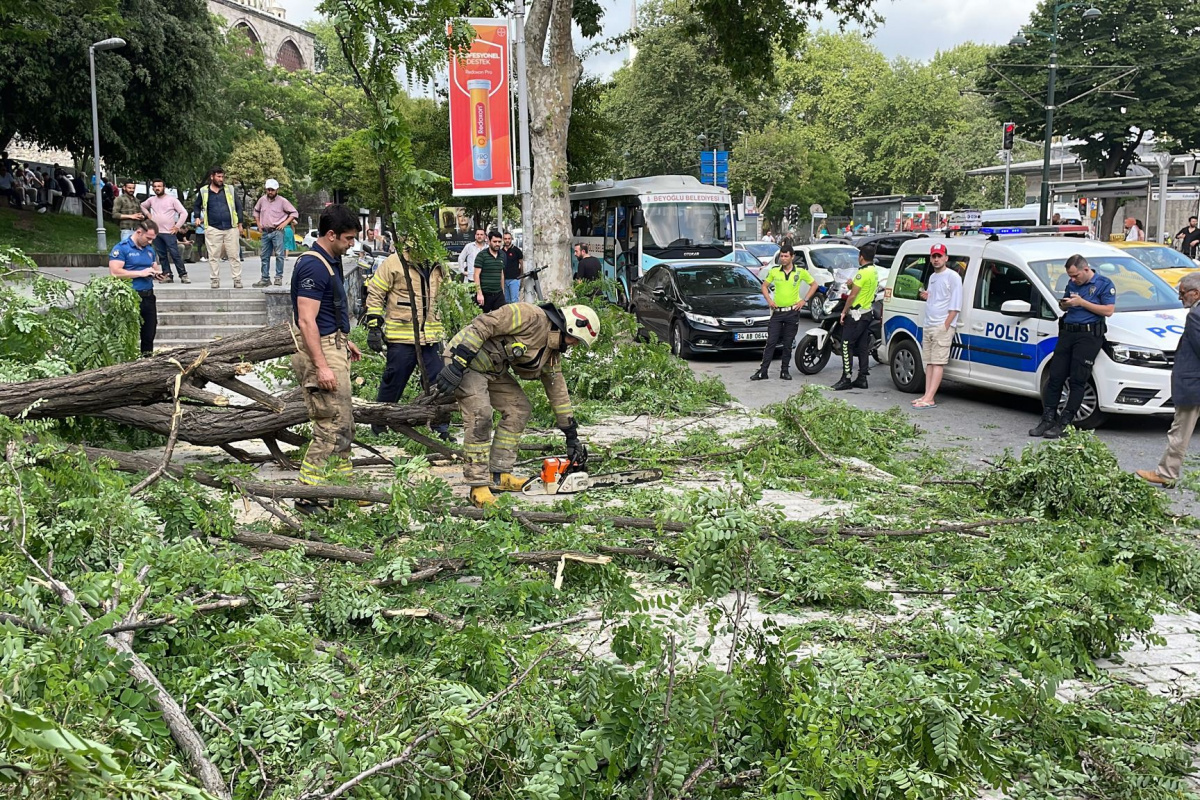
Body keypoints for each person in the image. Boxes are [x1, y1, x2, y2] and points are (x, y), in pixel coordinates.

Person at [435, 301, 601, 508]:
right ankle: (477, 486)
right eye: (574, 340)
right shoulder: (528, 316)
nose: (572, 346)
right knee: (481, 415)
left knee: (518, 409)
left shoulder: (551, 353)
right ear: (566, 327)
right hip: (465, 360)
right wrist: (458, 363)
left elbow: (557, 390)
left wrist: (571, 434)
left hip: (492, 369)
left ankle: (500, 474)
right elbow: (483, 323)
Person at [289, 205, 363, 513]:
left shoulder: (329, 260)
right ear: (330, 235)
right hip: (320, 350)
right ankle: (308, 495)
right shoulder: (313, 266)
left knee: (344, 422)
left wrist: (345, 341)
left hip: (333, 344)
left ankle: (340, 488)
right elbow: (307, 321)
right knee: (331, 424)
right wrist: (321, 364)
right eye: (348, 238)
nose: (351, 244)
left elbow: (327, 313)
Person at [364, 245, 450, 439]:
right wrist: (374, 327)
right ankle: (380, 423)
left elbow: (446, 296)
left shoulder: (438, 264)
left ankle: (440, 428)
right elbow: (376, 292)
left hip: (430, 337)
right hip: (402, 336)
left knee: (439, 382)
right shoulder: (394, 263)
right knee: (394, 379)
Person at [1029, 254, 1115, 439]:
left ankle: (1065, 423)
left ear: (1086, 269)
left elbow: (1108, 310)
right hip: (1068, 332)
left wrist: (1082, 302)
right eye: (1070, 276)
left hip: (1088, 335)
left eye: (1075, 275)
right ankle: (1048, 419)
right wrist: (1065, 304)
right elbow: (1065, 307)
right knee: (1056, 376)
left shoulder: (1103, 283)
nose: (1072, 279)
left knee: (1078, 379)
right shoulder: (1072, 284)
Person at [1137, 274, 1200, 487]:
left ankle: (1166, 473)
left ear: (1196, 293)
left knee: (1180, 430)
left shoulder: (1195, 315)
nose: (1180, 298)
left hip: (1194, 382)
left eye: (1183, 293)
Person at [750, 243, 819, 382]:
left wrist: (804, 300)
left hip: (792, 312)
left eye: (786, 256)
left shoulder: (799, 272)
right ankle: (763, 371)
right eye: (781, 256)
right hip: (777, 312)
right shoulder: (775, 271)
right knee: (771, 342)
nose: (783, 259)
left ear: (792, 257)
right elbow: (764, 286)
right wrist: (769, 300)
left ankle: (784, 370)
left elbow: (814, 285)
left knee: (788, 343)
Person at [912, 243, 962, 408]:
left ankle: (930, 397)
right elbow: (938, 298)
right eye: (934, 256)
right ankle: (926, 395)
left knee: (938, 362)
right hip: (929, 324)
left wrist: (945, 326)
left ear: (946, 258)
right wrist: (928, 296)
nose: (936, 259)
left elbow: (955, 306)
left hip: (941, 325)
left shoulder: (953, 276)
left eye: (939, 256)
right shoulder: (933, 277)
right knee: (929, 362)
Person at [108, 220, 163, 356]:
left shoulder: (149, 249)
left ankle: (147, 360)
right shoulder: (121, 248)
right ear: (139, 232)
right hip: (130, 296)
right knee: (127, 334)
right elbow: (115, 273)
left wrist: (157, 274)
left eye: (152, 239)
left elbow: (154, 267)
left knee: (149, 333)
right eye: (148, 238)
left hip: (148, 296)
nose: (150, 242)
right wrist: (140, 273)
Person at [832, 243, 879, 390]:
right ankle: (862, 377)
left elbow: (852, 296)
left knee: (846, 345)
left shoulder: (862, 273)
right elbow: (862, 288)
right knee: (862, 346)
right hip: (867, 313)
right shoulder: (873, 271)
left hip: (856, 314)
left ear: (861, 257)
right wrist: (852, 284)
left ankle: (846, 377)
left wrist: (844, 312)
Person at [192, 166, 244, 289]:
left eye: (222, 177)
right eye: (218, 176)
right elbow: (197, 205)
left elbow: (238, 206)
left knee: (234, 255)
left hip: (231, 227)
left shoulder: (229, 189)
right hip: (213, 227)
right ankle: (214, 279)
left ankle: (237, 279)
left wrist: (240, 224)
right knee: (213, 255)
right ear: (212, 177)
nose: (221, 179)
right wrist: (197, 216)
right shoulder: (204, 191)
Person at [140, 179, 190, 283]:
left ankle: (183, 275)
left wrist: (177, 226)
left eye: (159, 186)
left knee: (175, 254)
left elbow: (184, 213)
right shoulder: (151, 200)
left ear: (164, 187)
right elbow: (142, 206)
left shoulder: (172, 200)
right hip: (157, 232)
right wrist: (148, 215)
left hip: (169, 232)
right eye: (155, 186)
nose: (157, 188)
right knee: (162, 255)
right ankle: (167, 274)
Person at [253, 178, 298, 287]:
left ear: (277, 190)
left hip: (277, 231)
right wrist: (258, 223)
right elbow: (256, 211)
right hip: (265, 231)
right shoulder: (262, 200)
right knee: (264, 255)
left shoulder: (282, 201)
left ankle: (278, 277)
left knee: (279, 255)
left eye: (272, 190)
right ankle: (265, 278)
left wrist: (285, 223)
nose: (270, 192)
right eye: (268, 190)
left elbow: (294, 212)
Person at [473, 230, 507, 312]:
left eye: (499, 242)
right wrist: (479, 294)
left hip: (498, 294)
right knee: (484, 320)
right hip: (485, 294)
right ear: (489, 241)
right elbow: (476, 275)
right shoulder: (481, 255)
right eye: (495, 241)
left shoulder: (502, 255)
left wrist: (502, 291)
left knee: (502, 317)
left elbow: (501, 274)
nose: (497, 244)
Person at [502, 231, 524, 304]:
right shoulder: (500, 251)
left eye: (509, 238)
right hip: (504, 280)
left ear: (511, 239)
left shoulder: (517, 250)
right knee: (506, 301)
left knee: (514, 300)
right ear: (503, 239)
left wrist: (521, 277)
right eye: (505, 239)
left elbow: (521, 264)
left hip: (514, 279)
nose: (507, 240)